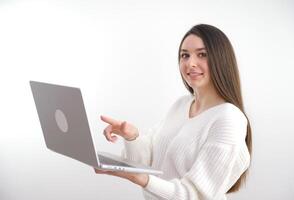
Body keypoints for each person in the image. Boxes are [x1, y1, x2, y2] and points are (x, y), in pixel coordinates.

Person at [95, 24, 252, 200]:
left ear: (220, 60)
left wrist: (145, 180)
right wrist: (132, 137)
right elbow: (146, 161)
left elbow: (194, 194)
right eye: (185, 55)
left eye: (202, 54)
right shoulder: (181, 105)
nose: (190, 63)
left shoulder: (228, 118)